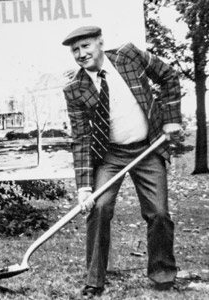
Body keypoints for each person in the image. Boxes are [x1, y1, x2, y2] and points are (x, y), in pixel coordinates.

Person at [62, 26, 182, 297]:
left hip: (148, 148)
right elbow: (81, 138)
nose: (81, 54)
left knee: (159, 213)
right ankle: (94, 280)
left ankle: (162, 273)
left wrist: (172, 118)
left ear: (100, 43)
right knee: (99, 208)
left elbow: (169, 76)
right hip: (110, 155)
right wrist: (84, 187)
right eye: (75, 50)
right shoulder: (75, 89)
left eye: (86, 46)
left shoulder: (129, 56)